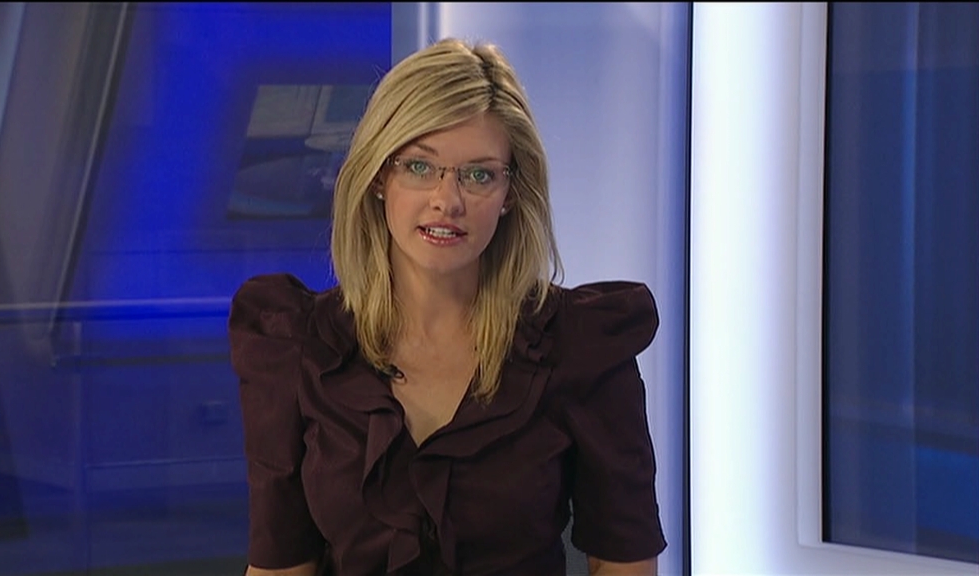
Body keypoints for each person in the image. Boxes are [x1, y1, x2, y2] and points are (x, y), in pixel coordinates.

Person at [229, 37, 666, 576]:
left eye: (479, 174)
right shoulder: (299, 347)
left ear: (510, 193)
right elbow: (280, 569)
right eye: (420, 167)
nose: (447, 200)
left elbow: (624, 565)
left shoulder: (581, 347)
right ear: (379, 176)